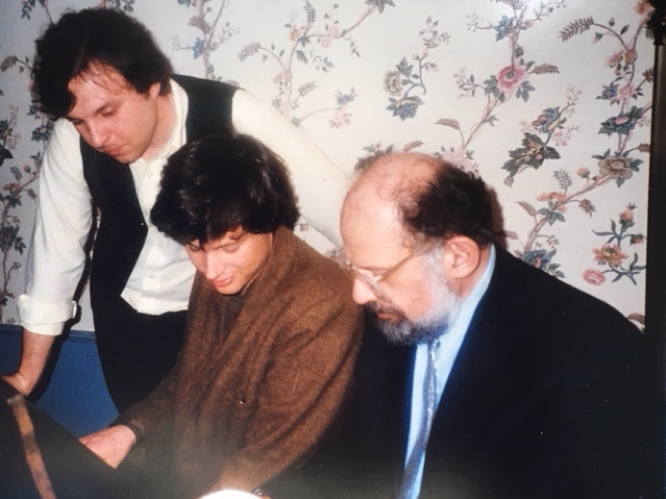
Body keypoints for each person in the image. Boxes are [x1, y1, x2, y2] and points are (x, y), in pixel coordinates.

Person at [3, 7, 350, 411]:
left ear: (152, 85)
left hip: (222, 321)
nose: (95, 136)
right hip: (124, 327)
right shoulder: (73, 138)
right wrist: (26, 376)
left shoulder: (235, 115)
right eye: (79, 121)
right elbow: (55, 255)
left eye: (108, 111)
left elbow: (341, 210)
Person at [303, 152, 659, 498]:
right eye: (354, 269)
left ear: (458, 257)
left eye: (377, 275)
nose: (359, 294)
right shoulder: (393, 308)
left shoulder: (594, 356)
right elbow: (354, 451)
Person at [80, 132, 363, 499]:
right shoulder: (224, 273)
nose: (212, 270)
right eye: (194, 248)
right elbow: (190, 374)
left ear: (269, 219)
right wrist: (129, 430)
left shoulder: (321, 304)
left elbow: (270, 453)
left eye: (231, 245)